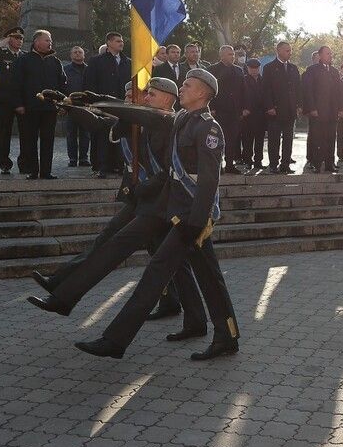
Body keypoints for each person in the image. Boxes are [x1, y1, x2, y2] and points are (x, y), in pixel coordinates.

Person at [75, 69, 239, 360]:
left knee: (158, 274)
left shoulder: (208, 128)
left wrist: (198, 221)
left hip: (192, 217)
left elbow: (208, 180)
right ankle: (225, 335)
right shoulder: (180, 120)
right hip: (180, 214)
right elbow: (139, 114)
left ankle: (115, 340)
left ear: (202, 93)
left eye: (187, 85)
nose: (182, 89)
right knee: (209, 278)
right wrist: (97, 101)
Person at [24, 78, 207, 336]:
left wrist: (93, 98)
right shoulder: (138, 119)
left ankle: (64, 297)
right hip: (143, 199)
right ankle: (187, 314)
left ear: (167, 97)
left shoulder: (170, 123)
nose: (144, 99)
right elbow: (99, 122)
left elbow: (168, 170)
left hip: (160, 201)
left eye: (149, 94)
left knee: (116, 247)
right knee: (162, 257)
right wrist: (69, 104)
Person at [11, 30, 66, 180]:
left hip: (50, 108)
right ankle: (33, 171)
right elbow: (15, 83)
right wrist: (18, 104)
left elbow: (62, 85)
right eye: (47, 40)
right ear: (36, 42)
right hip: (30, 108)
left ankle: (46, 171)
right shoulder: (24, 60)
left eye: (51, 41)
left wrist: (62, 104)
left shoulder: (55, 62)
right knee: (30, 140)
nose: (50, 43)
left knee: (48, 140)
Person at [85, 32, 131, 177]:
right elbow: (89, 83)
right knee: (102, 136)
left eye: (122, 41)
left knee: (120, 134)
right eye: (118, 41)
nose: (121, 43)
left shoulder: (128, 62)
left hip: (122, 105)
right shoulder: (96, 61)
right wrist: (91, 103)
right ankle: (101, 165)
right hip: (102, 105)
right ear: (109, 43)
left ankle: (119, 164)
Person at [0, 28, 26, 174]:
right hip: (5, 100)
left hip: (22, 100)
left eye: (21, 38)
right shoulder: (2, 54)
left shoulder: (24, 56)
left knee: (25, 133)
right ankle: (5, 163)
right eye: (16, 38)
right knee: (4, 132)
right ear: (9, 39)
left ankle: (24, 163)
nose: (19, 41)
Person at [207, 45, 250, 175]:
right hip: (219, 111)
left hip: (235, 111)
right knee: (217, 139)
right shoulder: (212, 69)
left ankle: (230, 164)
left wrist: (245, 107)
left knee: (232, 139)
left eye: (233, 54)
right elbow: (209, 90)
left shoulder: (238, 70)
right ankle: (218, 165)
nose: (232, 56)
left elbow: (244, 90)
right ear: (222, 55)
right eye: (229, 54)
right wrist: (212, 107)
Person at [262, 41, 300, 173]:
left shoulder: (293, 68)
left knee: (288, 139)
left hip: (290, 110)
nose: (289, 53)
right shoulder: (269, 68)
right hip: (275, 110)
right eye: (286, 50)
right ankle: (273, 164)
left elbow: (298, 89)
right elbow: (265, 90)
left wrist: (299, 105)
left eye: (290, 50)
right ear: (278, 51)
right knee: (274, 139)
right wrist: (269, 107)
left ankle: (285, 165)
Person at [303, 45, 342, 173]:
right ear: (320, 55)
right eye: (327, 53)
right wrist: (312, 108)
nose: (330, 56)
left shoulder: (334, 71)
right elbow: (308, 90)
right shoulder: (312, 70)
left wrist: (340, 108)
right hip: (317, 111)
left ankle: (329, 163)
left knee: (331, 138)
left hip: (332, 112)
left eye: (331, 53)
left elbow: (338, 92)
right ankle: (316, 163)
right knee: (317, 138)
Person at [62, 46, 90, 167]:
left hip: (85, 105)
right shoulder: (65, 69)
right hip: (70, 105)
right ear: (71, 55)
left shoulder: (90, 69)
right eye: (75, 52)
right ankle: (72, 158)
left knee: (85, 133)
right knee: (71, 133)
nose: (78, 54)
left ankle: (84, 158)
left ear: (84, 55)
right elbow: (62, 86)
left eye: (80, 52)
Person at [242, 58, 266, 171]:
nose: (254, 70)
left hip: (261, 114)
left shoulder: (263, 80)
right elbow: (240, 96)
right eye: (252, 68)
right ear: (248, 68)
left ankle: (258, 161)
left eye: (256, 68)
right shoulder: (243, 80)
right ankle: (247, 161)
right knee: (247, 140)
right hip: (248, 115)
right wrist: (243, 109)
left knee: (260, 140)